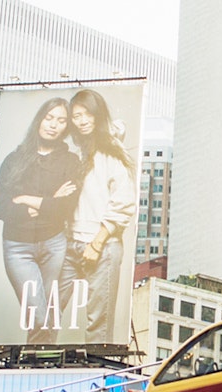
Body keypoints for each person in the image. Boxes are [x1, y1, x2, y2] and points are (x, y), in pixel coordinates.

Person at [0, 96, 80, 344]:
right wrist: (48, 201)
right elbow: (1, 208)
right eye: (49, 117)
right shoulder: (14, 160)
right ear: (39, 119)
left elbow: (65, 208)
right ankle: (40, 362)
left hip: (55, 244)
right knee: (39, 317)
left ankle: (38, 363)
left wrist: (24, 199)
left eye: (61, 120)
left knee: (50, 317)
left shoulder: (71, 162)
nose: (53, 125)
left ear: (67, 127)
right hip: (18, 248)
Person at [60, 88, 135, 344]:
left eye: (87, 114)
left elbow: (123, 202)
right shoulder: (77, 151)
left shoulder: (112, 152)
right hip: (70, 243)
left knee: (98, 329)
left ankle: (96, 370)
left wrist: (97, 243)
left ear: (98, 114)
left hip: (102, 246)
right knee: (45, 312)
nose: (82, 121)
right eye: (76, 116)